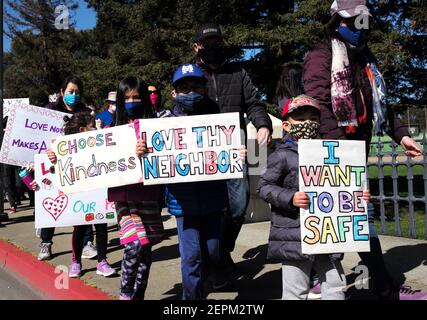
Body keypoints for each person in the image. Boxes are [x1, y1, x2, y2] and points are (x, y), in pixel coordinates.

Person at [303, 0, 424, 300]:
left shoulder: (365, 60)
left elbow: (379, 106)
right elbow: (317, 105)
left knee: (349, 221)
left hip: (353, 154)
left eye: (364, 22)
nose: (361, 28)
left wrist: (402, 136)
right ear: (337, 23)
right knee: (348, 221)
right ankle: (380, 285)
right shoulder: (321, 55)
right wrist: (341, 152)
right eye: (354, 22)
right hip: (333, 156)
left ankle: (335, 280)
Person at [257, 94, 371, 300]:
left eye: (313, 118)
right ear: (286, 125)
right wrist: (290, 198)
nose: (307, 123)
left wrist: (356, 196)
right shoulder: (281, 155)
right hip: (294, 237)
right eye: (300, 119)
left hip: (328, 235)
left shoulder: (331, 154)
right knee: (295, 290)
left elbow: (343, 183)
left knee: (336, 286)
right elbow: (264, 187)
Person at [192, 23, 273, 288]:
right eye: (208, 43)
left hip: (235, 150)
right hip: (201, 153)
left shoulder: (238, 72)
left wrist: (263, 124)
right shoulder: (191, 74)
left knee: (237, 207)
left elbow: (253, 103)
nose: (214, 47)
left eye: (217, 42)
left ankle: (222, 250)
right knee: (209, 210)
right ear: (197, 47)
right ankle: (212, 261)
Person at [164, 64, 245, 300]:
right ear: (173, 92)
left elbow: (230, 152)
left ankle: (206, 281)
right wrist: (143, 150)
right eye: (184, 88)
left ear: (205, 89)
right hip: (184, 204)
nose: (190, 92)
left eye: (196, 87)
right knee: (191, 257)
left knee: (212, 253)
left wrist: (237, 152)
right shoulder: (163, 121)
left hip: (213, 200)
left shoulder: (219, 119)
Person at [109, 76, 165, 300]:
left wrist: (150, 149)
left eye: (136, 97)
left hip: (148, 196)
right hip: (123, 197)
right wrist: (56, 155)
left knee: (146, 248)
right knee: (133, 245)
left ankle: (138, 295)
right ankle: (125, 295)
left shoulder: (157, 126)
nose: (132, 101)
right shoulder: (111, 129)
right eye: (127, 98)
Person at [44, 112, 116, 278]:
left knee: (102, 227)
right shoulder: (65, 149)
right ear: (83, 130)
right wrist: (53, 157)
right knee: (80, 228)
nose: (95, 129)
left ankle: (102, 261)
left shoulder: (99, 145)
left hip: (98, 193)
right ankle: (76, 262)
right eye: (92, 127)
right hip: (80, 196)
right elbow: (54, 168)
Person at [38, 76, 97, 261]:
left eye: (77, 92)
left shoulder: (86, 113)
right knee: (51, 200)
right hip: (54, 164)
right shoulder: (49, 112)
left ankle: (88, 243)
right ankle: (46, 243)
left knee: (84, 203)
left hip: (79, 166)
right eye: (70, 91)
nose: (74, 95)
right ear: (62, 92)